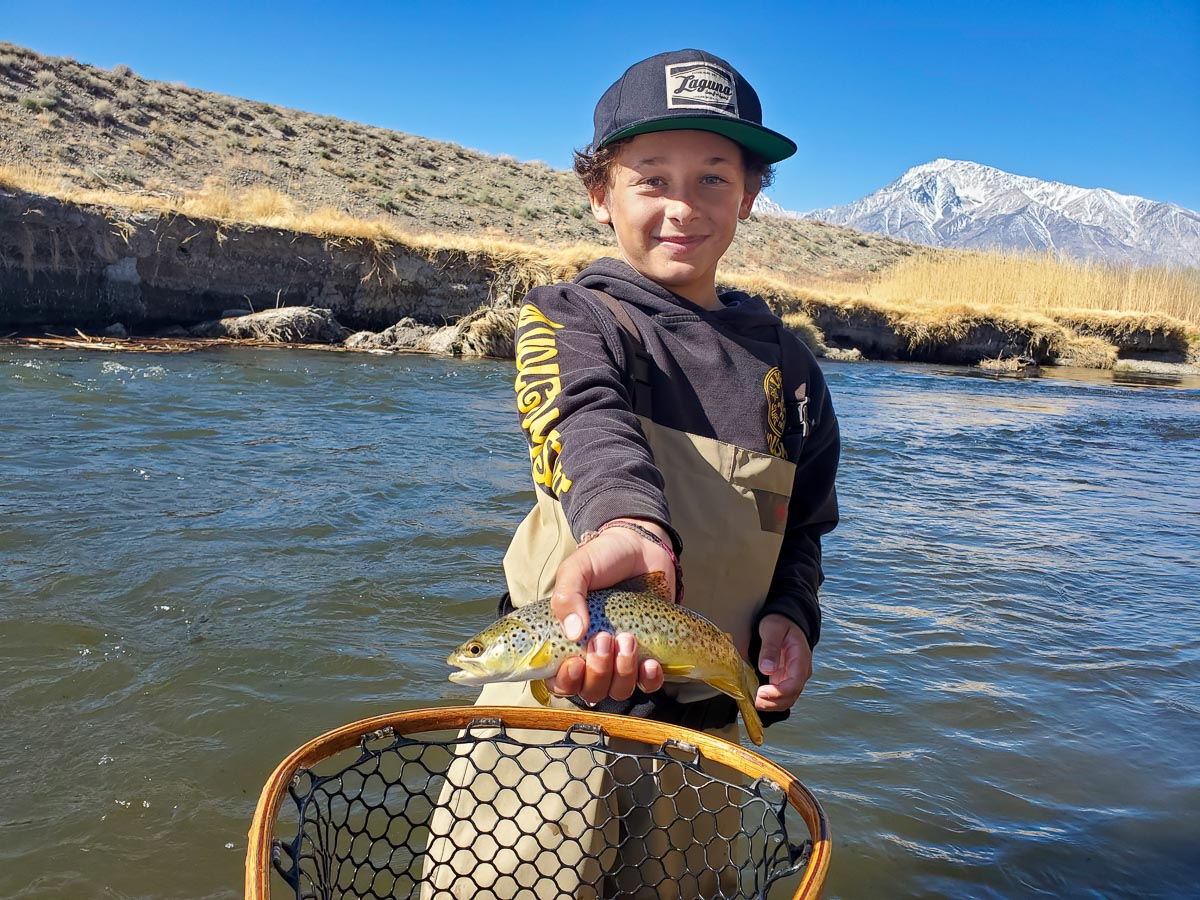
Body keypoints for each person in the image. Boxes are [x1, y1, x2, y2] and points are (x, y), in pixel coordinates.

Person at [424, 48, 840, 899]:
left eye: (714, 179)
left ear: (751, 197)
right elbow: (584, 425)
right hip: (552, 717)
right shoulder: (571, 318)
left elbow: (802, 530)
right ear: (599, 194)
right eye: (651, 179)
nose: (682, 207)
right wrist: (628, 527)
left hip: (712, 736)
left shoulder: (793, 371)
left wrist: (794, 618)